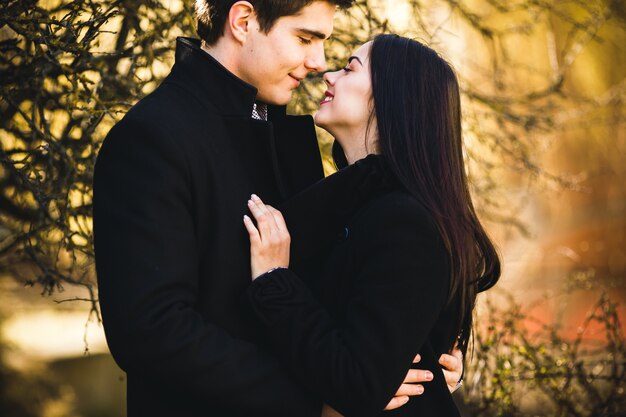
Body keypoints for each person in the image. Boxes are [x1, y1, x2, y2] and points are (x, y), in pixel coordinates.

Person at [93, 0, 463, 415]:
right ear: (243, 21)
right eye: (305, 38)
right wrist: (319, 399)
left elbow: (348, 290)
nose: (319, 62)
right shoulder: (152, 138)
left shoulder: (283, 139)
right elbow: (152, 331)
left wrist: (412, 346)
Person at [242, 34, 501, 416]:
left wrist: (274, 280)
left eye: (349, 68)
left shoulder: (406, 223)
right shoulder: (354, 208)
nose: (328, 75)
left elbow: (358, 381)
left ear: (393, 99)